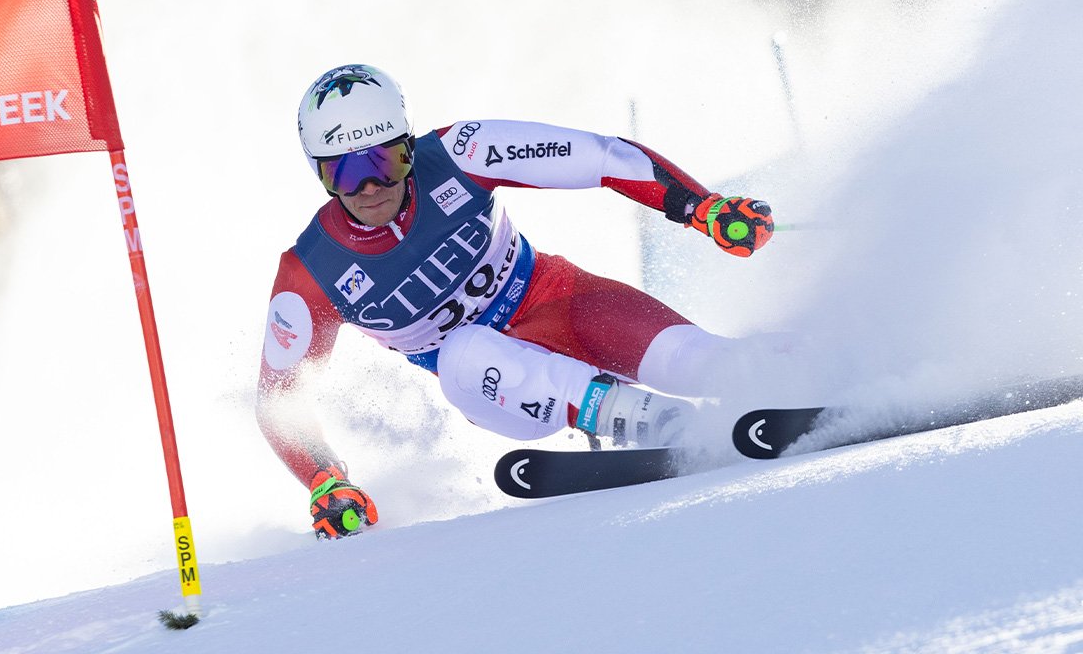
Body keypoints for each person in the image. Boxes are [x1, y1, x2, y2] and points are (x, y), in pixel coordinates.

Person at [257, 64, 774, 539]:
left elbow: (600, 156)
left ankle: (815, 366)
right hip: (493, 387)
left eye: (385, 161)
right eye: (343, 174)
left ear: (409, 148)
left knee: (706, 364)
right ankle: (664, 424)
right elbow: (278, 402)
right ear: (319, 174)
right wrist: (326, 481)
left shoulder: (460, 151)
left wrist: (699, 206)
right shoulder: (310, 272)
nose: (369, 187)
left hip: (564, 303)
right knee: (464, 348)